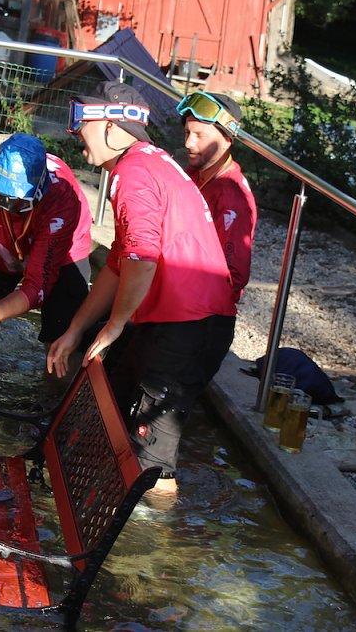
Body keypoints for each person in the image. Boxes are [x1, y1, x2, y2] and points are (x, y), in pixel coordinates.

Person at [46, 81, 237, 497]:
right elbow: (119, 263)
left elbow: (142, 257)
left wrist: (115, 325)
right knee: (111, 409)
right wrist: (76, 330)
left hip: (190, 327)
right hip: (177, 322)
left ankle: (152, 536)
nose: (74, 132)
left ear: (112, 127)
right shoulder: (148, 162)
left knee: (153, 467)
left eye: (81, 120)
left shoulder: (131, 174)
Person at [0, 133, 93, 357]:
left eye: (16, 201)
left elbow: (37, 287)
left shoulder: (62, 198)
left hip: (63, 251)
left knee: (61, 343)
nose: (5, 205)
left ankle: (55, 378)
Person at [179, 91, 257, 301]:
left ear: (227, 139)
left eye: (200, 135)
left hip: (200, 307)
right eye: (187, 133)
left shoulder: (231, 196)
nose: (188, 143)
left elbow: (234, 275)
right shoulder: (195, 172)